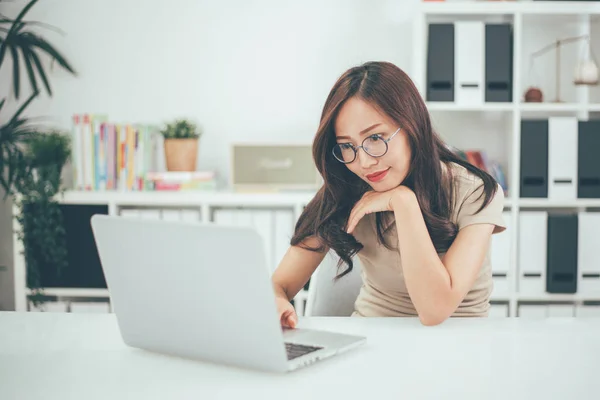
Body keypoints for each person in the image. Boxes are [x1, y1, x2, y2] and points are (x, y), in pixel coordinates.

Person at [271, 61, 506, 327]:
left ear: (411, 126)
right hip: (371, 337)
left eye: (374, 138)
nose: (364, 162)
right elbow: (279, 284)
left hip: (456, 345)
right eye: (347, 146)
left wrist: (404, 203)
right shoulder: (345, 189)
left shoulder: (475, 192)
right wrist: (276, 302)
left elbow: (435, 311)